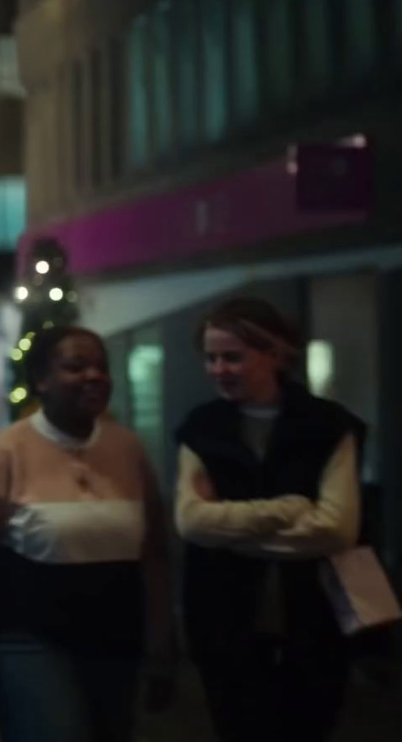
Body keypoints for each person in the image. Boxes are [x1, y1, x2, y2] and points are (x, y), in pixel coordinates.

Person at [0, 326, 175, 742]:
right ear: (41, 380)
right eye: (75, 366)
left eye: (101, 367)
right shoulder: (5, 454)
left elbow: (154, 555)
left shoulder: (128, 451)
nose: (94, 376)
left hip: (114, 642)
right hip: (25, 640)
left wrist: (160, 648)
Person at [174, 297, 364, 742]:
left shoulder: (328, 426)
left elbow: (337, 529)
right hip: (225, 622)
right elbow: (191, 522)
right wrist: (291, 509)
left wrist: (229, 531)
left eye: (233, 357)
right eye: (211, 357)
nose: (219, 369)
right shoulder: (203, 427)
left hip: (315, 620)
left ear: (275, 354)